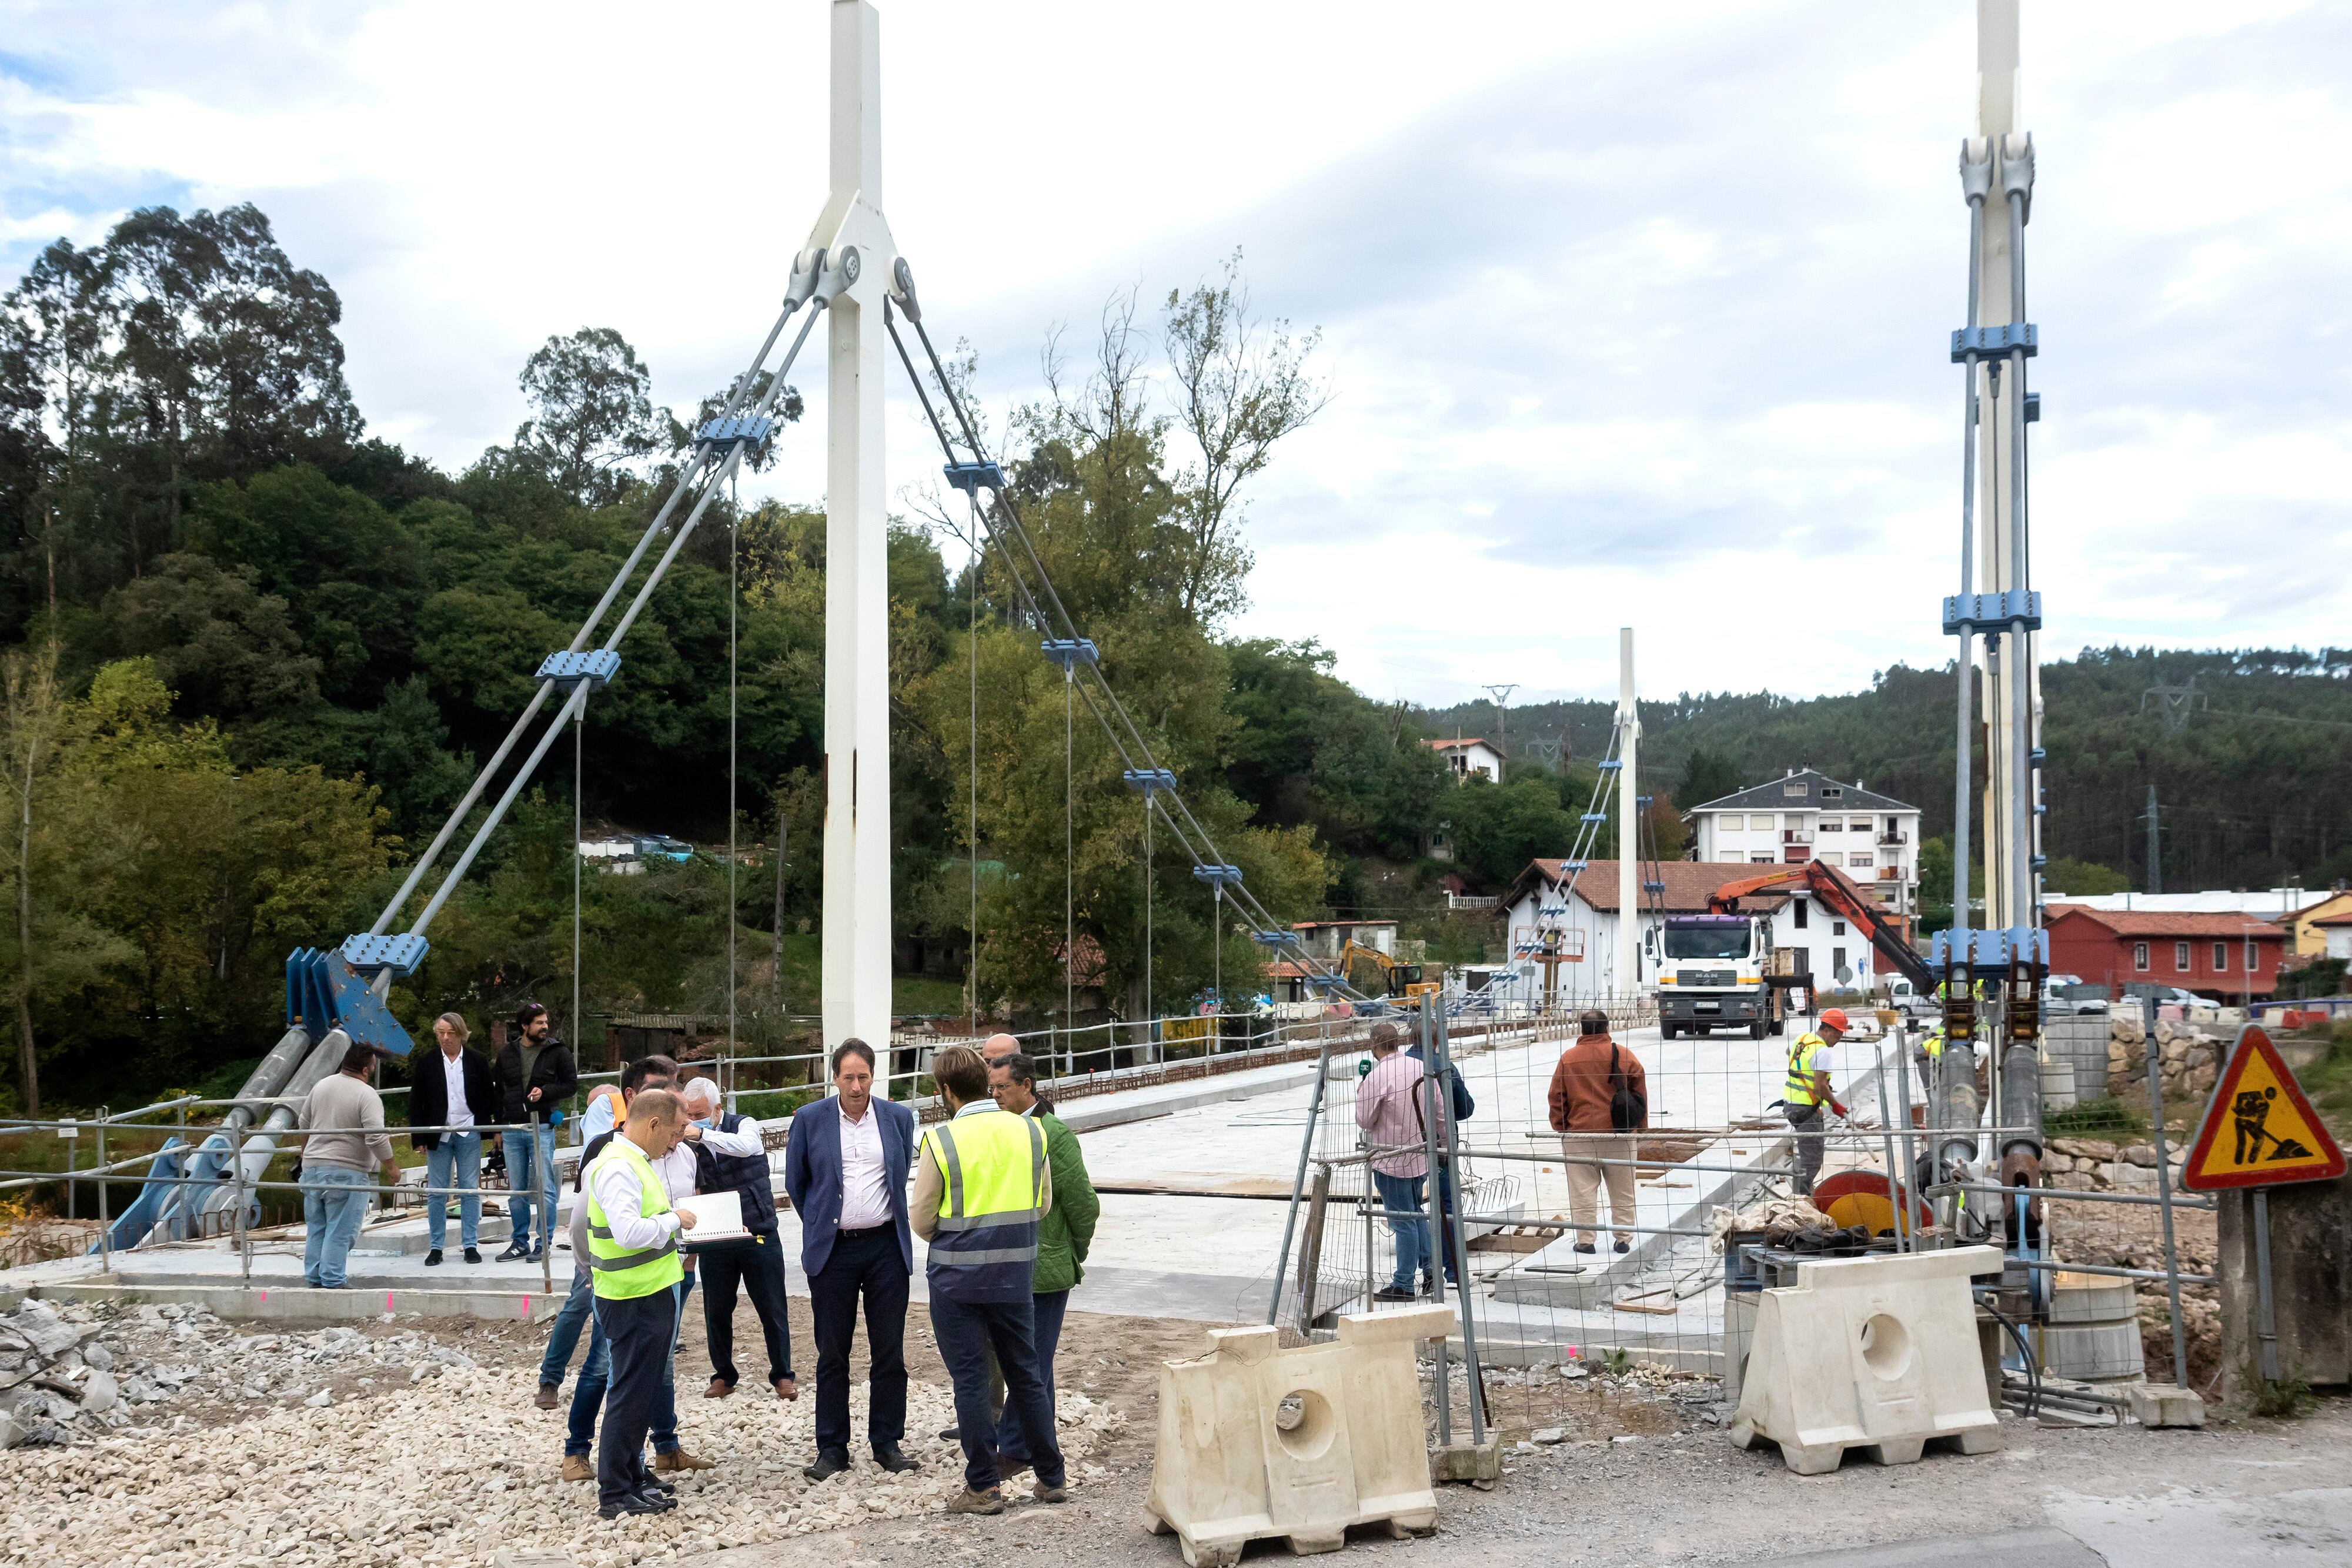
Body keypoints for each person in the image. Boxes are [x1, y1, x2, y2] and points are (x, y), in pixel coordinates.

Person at [913, 1044, 1067, 1515]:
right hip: (1015, 1277)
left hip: (956, 1282)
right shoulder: (1030, 1131)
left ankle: (983, 1486)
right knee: (1026, 1373)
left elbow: (921, 1216)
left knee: (972, 1381)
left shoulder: (941, 1140)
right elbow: (1042, 1204)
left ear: (944, 1091)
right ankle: (1051, 1477)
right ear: (985, 1081)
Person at [785, 1039, 920, 1482]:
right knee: (833, 1353)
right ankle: (832, 1447)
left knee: (889, 1350)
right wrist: (824, 1223)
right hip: (834, 1249)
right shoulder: (810, 1119)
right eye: (849, 1077)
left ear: (873, 1076)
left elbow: (900, 1176)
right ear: (835, 1078)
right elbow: (798, 1183)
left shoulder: (899, 1118)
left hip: (885, 1246)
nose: (857, 1085)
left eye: (864, 1077)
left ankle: (887, 1441)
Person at [586, 1086, 699, 1519]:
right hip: (631, 1297)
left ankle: (631, 1478)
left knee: (640, 1390)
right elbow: (629, 1231)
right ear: (652, 1124)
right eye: (674, 1131)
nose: (676, 1140)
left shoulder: (635, 1161)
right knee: (629, 1393)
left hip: (646, 1292)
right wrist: (674, 1219)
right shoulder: (618, 1166)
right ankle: (615, 1491)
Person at [540, 1055, 676, 1414]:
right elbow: (583, 1217)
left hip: (649, 1277)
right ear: (633, 1097)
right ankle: (552, 1383)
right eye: (656, 1091)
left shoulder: (668, 1146)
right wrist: (590, 1269)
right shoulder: (608, 1149)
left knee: (636, 1364)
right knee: (585, 1326)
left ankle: (662, 1444)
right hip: (605, 1268)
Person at [985, 1051, 1095, 1476]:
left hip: (1047, 1271)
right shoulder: (1007, 1129)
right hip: (1017, 1265)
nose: (994, 1095)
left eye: (1002, 1088)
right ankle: (1040, 1444)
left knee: (1030, 1362)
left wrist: (1072, 1252)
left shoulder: (1054, 1134)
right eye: (991, 1088)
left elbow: (1084, 1205)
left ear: (1027, 1085)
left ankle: (1015, 1448)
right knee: (1036, 1363)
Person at [680, 1076, 799, 1403]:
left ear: (718, 1108)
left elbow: (746, 1147)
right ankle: (723, 1375)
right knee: (716, 1310)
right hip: (716, 1239)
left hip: (759, 1232)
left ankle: (783, 1375)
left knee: (773, 1308)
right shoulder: (687, 1143)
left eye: (700, 1113)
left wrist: (703, 1134)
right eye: (689, 1115)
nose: (693, 1121)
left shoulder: (744, 1125)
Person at [1545, 1009, 1649, 1256]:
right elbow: (1640, 1095)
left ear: (1582, 1029)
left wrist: (1563, 1127)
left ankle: (1586, 1241)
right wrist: (1639, 1129)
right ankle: (1623, 1239)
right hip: (1619, 1135)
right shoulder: (1625, 1056)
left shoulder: (1568, 1059)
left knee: (1582, 1191)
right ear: (1607, 1028)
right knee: (1623, 1190)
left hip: (1580, 1136)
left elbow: (1556, 1097)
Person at [296, 1039, 396, 1289]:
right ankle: (333, 1280)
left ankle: (315, 1278)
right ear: (366, 1069)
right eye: (372, 1067)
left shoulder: (321, 1086)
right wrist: (392, 1167)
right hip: (346, 1171)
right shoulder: (366, 1094)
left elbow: (303, 1123)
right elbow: (376, 1135)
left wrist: (306, 1155)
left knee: (317, 1227)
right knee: (341, 1230)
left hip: (312, 1169)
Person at [493, 1001, 578, 1260]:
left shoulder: (557, 1051)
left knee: (545, 1187)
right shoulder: (507, 1053)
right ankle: (519, 1242)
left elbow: (571, 1085)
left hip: (541, 1126)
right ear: (524, 1026)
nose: (545, 1027)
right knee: (517, 1190)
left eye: (546, 1022)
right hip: (512, 1127)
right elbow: (498, 1092)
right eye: (539, 1023)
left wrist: (546, 1092)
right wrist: (497, 1127)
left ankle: (544, 1243)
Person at [410, 1012, 496, 1266]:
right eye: (441, 1033)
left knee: (469, 1189)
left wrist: (490, 1128)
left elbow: (489, 1096)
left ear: (461, 1034)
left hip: (469, 1131)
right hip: (439, 1133)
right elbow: (417, 1101)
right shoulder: (426, 1062)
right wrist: (419, 1137)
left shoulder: (477, 1060)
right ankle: (436, 1246)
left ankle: (470, 1244)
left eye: (450, 1033)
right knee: (436, 1192)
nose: (445, 1038)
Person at [1353, 1024, 1431, 1303]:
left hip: (1391, 1159)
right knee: (1416, 1213)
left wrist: (1362, 1092)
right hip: (1420, 1155)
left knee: (1403, 1221)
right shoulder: (1421, 1068)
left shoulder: (1377, 1076)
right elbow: (1440, 1111)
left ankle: (1404, 1285)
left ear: (1374, 1045)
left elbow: (1365, 1120)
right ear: (1398, 1042)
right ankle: (1430, 1270)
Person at [1404, 1024, 1474, 1290]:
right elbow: (1465, 1108)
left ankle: (1424, 1267)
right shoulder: (1444, 1066)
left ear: (1411, 1038)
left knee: (1410, 1208)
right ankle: (1454, 1272)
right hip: (1443, 1147)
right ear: (1437, 1039)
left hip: (1406, 1148)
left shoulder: (1401, 1065)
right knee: (1447, 1205)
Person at [1783, 1008, 1852, 1199]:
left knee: (1806, 1154)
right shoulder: (1823, 1051)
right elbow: (1820, 1085)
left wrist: (1802, 1073)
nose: (1838, 1039)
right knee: (1812, 1159)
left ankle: (1801, 1190)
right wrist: (1835, 1105)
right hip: (1806, 1109)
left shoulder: (1804, 1038)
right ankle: (1801, 1199)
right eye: (1838, 1034)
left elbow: (1789, 1052)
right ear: (1828, 1030)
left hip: (1790, 1104)